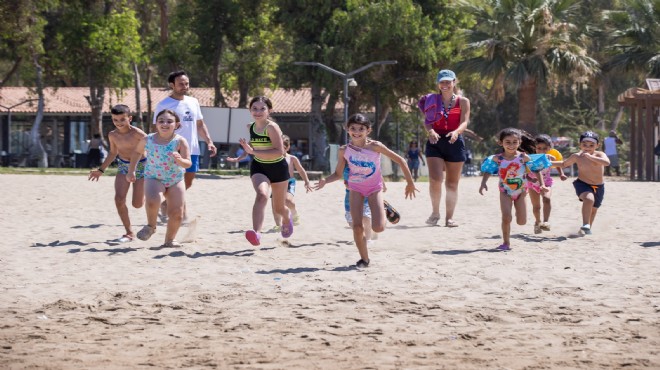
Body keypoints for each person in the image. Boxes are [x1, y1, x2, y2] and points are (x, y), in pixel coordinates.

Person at [315, 113, 418, 268]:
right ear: (347, 129)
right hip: (355, 188)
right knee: (357, 227)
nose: (357, 131)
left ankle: (382, 205)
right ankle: (364, 259)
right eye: (353, 128)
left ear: (368, 130)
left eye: (361, 128)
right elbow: (337, 173)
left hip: (374, 188)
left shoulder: (375, 146)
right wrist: (325, 181)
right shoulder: (344, 150)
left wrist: (410, 183)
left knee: (378, 227)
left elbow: (401, 160)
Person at [153, 70, 217, 220]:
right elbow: (156, 127)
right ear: (172, 85)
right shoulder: (163, 104)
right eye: (181, 84)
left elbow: (200, 124)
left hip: (192, 149)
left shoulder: (193, 102)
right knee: (177, 181)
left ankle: (165, 203)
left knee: (188, 181)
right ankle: (181, 215)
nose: (185, 86)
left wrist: (209, 141)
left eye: (187, 83)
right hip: (172, 149)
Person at [127, 109, 192, 248]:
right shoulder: (147, 139)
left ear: (177, 125)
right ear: (156, 123)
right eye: (161, 120)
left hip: (175, 179)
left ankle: (170, 240)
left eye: (169, 121)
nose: (165, 123)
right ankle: (151, 226)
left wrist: (180, 160)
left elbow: (188, 162)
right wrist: (131, 170)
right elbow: (137, 152)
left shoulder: (180, 141)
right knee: (152, 201)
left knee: (176, 213)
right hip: (153, 176)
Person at [235, 96, 293, 246]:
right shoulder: (250, 127)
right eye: (254, 108)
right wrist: (242, 155)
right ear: (250, 110)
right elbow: (253, 146)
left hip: (278, 168)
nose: (258, 112)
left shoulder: (272, 127)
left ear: (269, 111)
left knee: (279, 208)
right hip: (259, 167)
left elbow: (280, 151)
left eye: (262, 108)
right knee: (261, 195)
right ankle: (257, 234)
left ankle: (287, 218)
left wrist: (253, 152)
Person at [417, 69, 470, 227]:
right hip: (435, 140)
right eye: (442, 82)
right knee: (435, 179)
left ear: (454, 82)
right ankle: (435, 213)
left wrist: (457, 132)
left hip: (455, 140)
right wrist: (431, 131)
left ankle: (449, 218)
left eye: (448, 81)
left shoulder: (463, 101)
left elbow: (465, 122)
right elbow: (427, 121)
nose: (445, 84)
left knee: (452, 184)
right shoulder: (431, 99)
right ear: (438, 84)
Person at [479, 128, 547, 251]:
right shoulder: (497, 158)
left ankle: (518, 214)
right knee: (506, 217)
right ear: (501, 143)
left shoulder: (523, 157)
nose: (511, 145)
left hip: (521, 192)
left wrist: (542, 184)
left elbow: (536, 169)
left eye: (514, 142)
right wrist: (483, 183)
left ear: (519, 142)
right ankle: (506, 243)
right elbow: (488, 170)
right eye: (508, 142)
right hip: (505, 192)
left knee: (521, 221)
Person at [88, 104, 148, 242]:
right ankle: (129, 233)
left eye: (122, 119)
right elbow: (113, 153)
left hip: (142, 167)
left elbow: (154, 146)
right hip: (123, 166)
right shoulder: (112, 135)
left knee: (137, 204)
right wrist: (101, 170)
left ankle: (149, 194)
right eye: (115, 120)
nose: (119, 123)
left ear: (129, 118)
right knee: (119, 199)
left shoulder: (138, 134)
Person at [551, 131, 610, 235]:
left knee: (594, 209)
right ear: (580, 144)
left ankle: (586, 229)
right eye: (584, 144)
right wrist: (548, 163)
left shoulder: (600, 154)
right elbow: (564, 164)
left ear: (597, 145)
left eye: (591, 145)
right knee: (588, 199)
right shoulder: (576, 156)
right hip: (583, 183)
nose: (587, 147)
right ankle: (585, 224)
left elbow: (607, 162)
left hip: (599, 186)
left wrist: (591, 157)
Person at [269, 134, 313, 230]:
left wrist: (307, 181)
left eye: (283, 147)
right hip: (276, 183)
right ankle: (278, 225)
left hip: (289, 182)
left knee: (288, 201)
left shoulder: (292, 158)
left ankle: (294, 214)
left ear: (288, 147)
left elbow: (301, 170)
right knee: (275, 206)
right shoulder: (272, 159)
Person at [527, 134, 567, 234]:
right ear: (534, 148)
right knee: (536, 207)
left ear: (550, 148)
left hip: (547, 182)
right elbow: (524, 172)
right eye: (539, 148)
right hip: (533, 184)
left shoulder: (551, 157)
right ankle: (537, 222)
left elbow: (558, 164)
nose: (542, 151)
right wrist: (530, 180)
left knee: (547, 199)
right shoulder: (530, 158)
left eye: (545, 148)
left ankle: (545, 222)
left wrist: (561, 174)